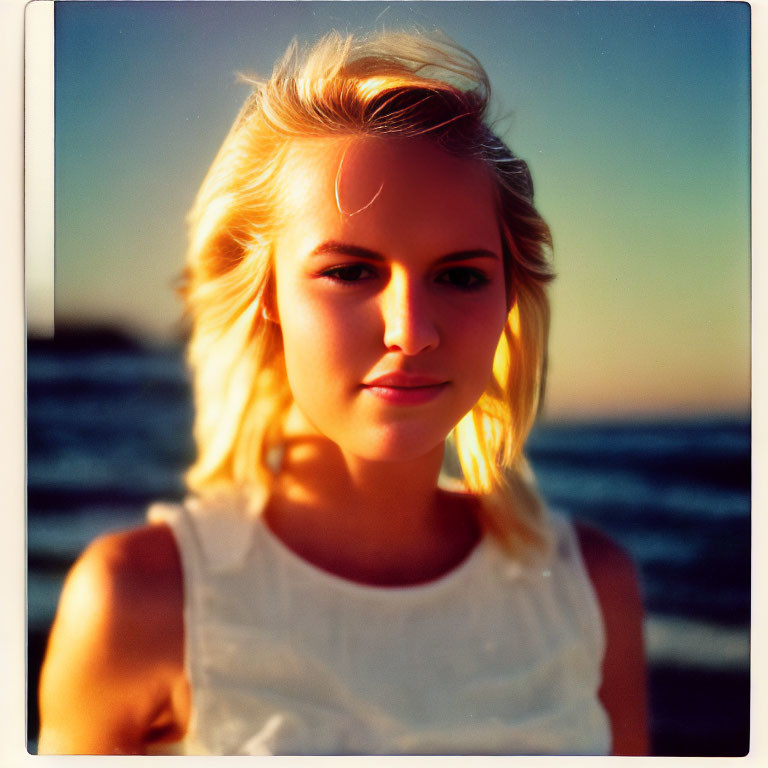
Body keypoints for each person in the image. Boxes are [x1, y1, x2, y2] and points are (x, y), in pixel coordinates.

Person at [37, 30, 648, 755]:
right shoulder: (137, 601)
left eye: (459, 275)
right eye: (351, 272)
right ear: (266, 292)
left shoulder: (588, 590)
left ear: (510, 297)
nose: (412, 331)